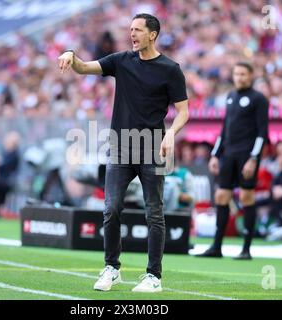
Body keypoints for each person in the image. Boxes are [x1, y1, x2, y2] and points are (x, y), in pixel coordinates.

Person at [58, 13, 189, 292]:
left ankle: (154, 276)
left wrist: (170, 133)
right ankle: (111, 268)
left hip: (153, 148)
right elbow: (83, 68)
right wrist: (71, 54)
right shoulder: (120, 60)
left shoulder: (170, 69)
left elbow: (184, 112)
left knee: (154, 213)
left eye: (138, 30)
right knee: (111, 208)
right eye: (130, 29)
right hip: (119, 147)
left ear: (152, 34)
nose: (132, 34)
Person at [196, 62, 269, 260]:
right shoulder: (230, 97)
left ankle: (246, 249)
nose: (239, 77)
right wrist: (215, 154)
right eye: (237, 74)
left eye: (243, 74)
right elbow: (224, 129)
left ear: (251, 75)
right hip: (228, 154)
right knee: (221, 197)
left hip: (247, 155)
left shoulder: (259, 99)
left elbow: (263, 132)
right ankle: (216, 247)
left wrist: (254, 159)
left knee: (246, 198)